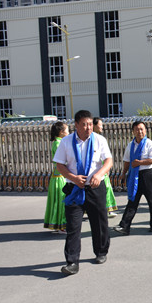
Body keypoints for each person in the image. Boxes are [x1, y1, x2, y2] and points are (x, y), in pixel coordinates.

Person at [53, 109, 113, 276]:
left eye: (90, 124)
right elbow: (60, 165)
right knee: (73, 226)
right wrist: (72, 177)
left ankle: (101, 252)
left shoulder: (99, 140)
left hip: (95, 188)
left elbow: (108, 160)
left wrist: (99, 175)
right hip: (74, 189)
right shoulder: (66, 142)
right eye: (84, 124)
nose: (88, 128)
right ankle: (72, 262)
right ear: (76, 125)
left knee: (99, 222)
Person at [113, 121, 152, 235]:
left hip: (148, 174)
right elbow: (127, 161)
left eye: (142, 129)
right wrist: (123, 173)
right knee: (132, 200)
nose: (140, 131)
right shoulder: (130, 145)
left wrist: (140, 162)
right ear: (133, 131)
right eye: (137, 129)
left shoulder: (150, 144)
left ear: (145, 130)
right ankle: (124, 226)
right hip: (134, 175)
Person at [44, 121, 69, 232]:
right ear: (61, 132)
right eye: (67, 130)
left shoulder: (57, 142)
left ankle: (58, 224)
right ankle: (61, 224)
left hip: (58, 175)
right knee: (61, 200)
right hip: (60, 176)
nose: (69, 132)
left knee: (58, 200)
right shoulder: (59, 143)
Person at [93, 117, 118, 217]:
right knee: (106, 188)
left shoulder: (99, 138)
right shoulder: (93, 139)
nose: (102, 127)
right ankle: (106, 210)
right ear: (94, 125)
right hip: (98, 170)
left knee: (106, 189)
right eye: (100, 125)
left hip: (102, 169)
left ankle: (107, 209)